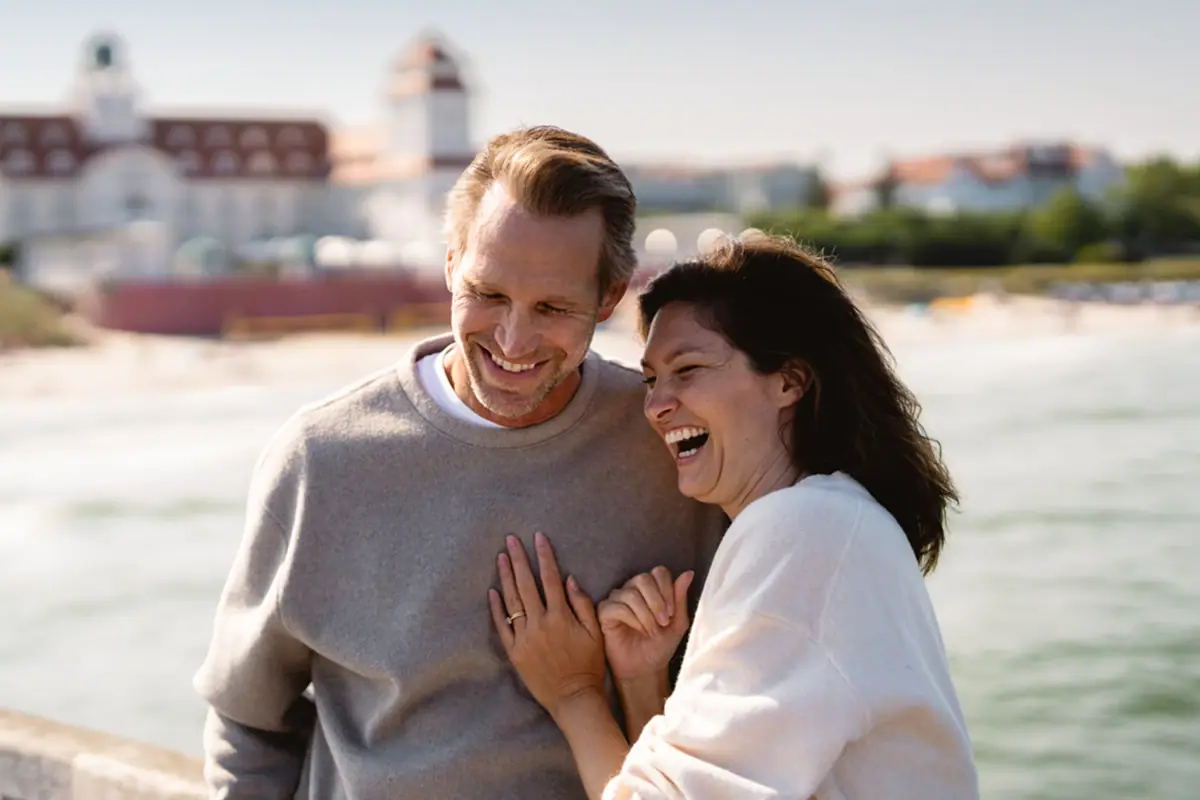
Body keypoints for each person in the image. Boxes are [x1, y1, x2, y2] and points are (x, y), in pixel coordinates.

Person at [193, 125, 725, 799]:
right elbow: (249, 719)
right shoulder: (321, 460)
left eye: (553, 307)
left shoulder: (672, 444)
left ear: (611, 298)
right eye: (489, 294)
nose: (513, 339)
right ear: (451, 266)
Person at [491, 233, 979, 799]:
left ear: (790, 381)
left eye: (688, 369)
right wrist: (642, 684)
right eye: (651, 379)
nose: (656, 404)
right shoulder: (836, 521)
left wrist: (574, 694)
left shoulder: (806, 528)